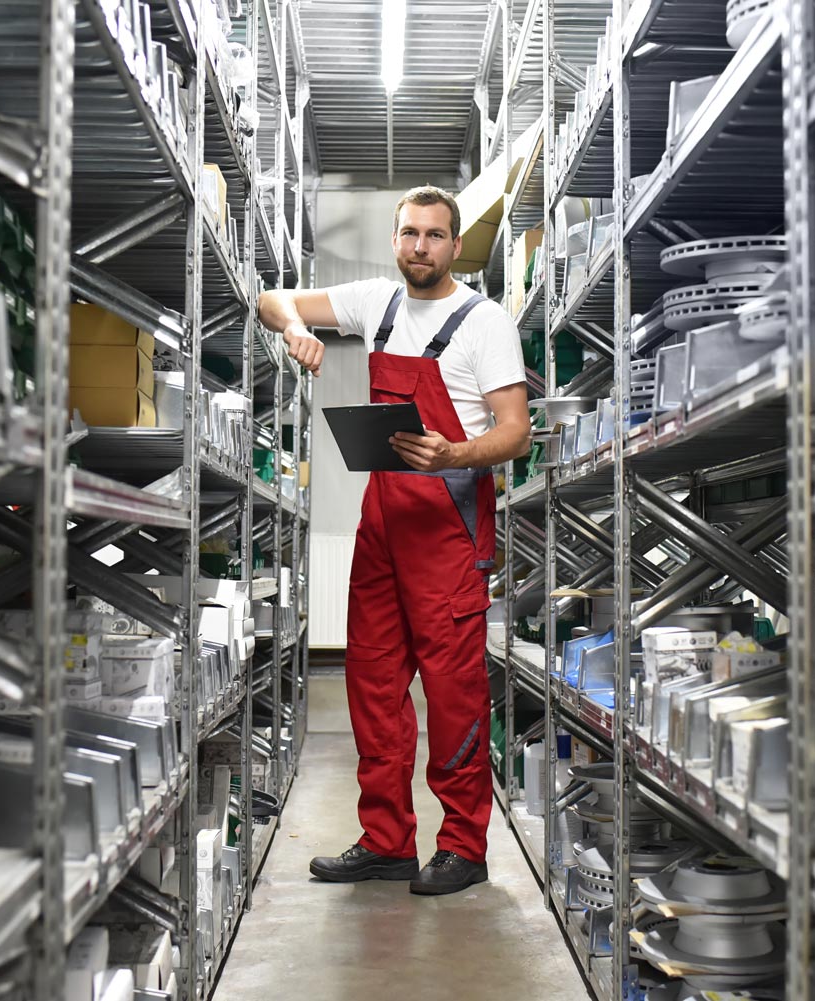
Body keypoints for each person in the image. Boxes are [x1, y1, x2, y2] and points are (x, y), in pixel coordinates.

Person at [256, 185, 531, 896]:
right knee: (372, 685)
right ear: (395, 238)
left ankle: (464, 846)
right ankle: (387, 840)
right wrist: (293, 329)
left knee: (452, 696)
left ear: (456, 245)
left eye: (435, 235)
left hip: (446, 531)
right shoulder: (375, 303)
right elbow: (269, 297)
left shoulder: (484, 322)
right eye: (409, 233)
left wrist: (454, 454)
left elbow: (515, 429)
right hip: (380, 528)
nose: (420, 246)